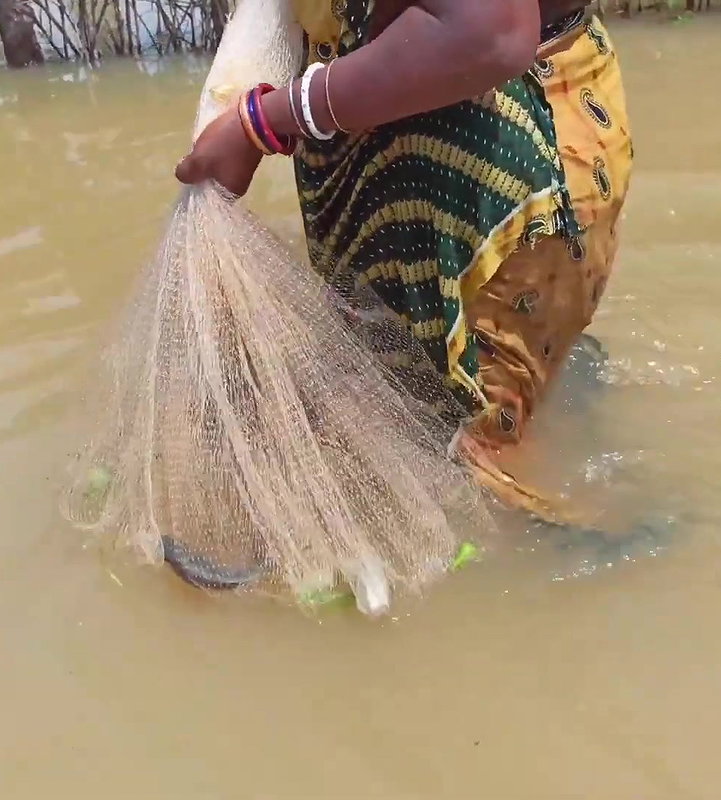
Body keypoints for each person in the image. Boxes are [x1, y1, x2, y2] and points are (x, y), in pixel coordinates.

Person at [176, 0, 632, 523]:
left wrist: (262, 122)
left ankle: (580, 543)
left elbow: (489, 32)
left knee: (470, 469)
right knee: (407, 416)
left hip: (501, 180)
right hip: (478, 136)